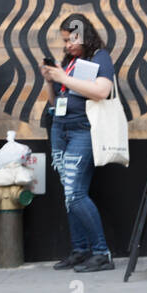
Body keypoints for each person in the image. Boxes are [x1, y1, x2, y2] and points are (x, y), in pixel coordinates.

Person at [42, 14, 116, 273]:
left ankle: (101, 252)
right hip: (60, 128)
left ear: (85, 36)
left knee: (75, 193)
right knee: (69, 194)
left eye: (71, 40)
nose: (67, 46)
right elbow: (55, 102)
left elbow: (101, 91)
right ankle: (80, 249)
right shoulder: (71, 62)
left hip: (83, 130)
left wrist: (63, 78)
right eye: (64, 41)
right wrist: (50, 81)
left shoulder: (100, 57)